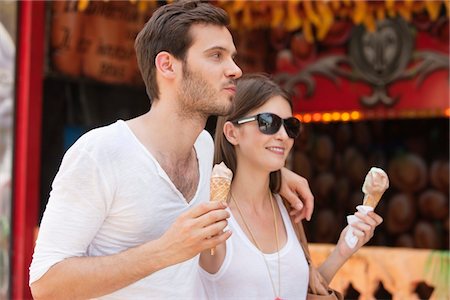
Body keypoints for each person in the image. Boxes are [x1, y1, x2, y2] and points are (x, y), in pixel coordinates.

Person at [29, 2, 314, 299]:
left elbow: (240, 166)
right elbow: (46, 284)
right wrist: (165, 251)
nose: (235, 69)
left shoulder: (204, 148)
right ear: (167, 65)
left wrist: (280, 175)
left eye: (232, 57)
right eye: (216, 56)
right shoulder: (101, 152)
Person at [199, 74, 383, 299]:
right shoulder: (209, 214)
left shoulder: (287, 206)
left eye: (290, 126)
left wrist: (342, 250)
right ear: (232, 133)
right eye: (268, 122)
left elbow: (301, 292)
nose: (283, 135)